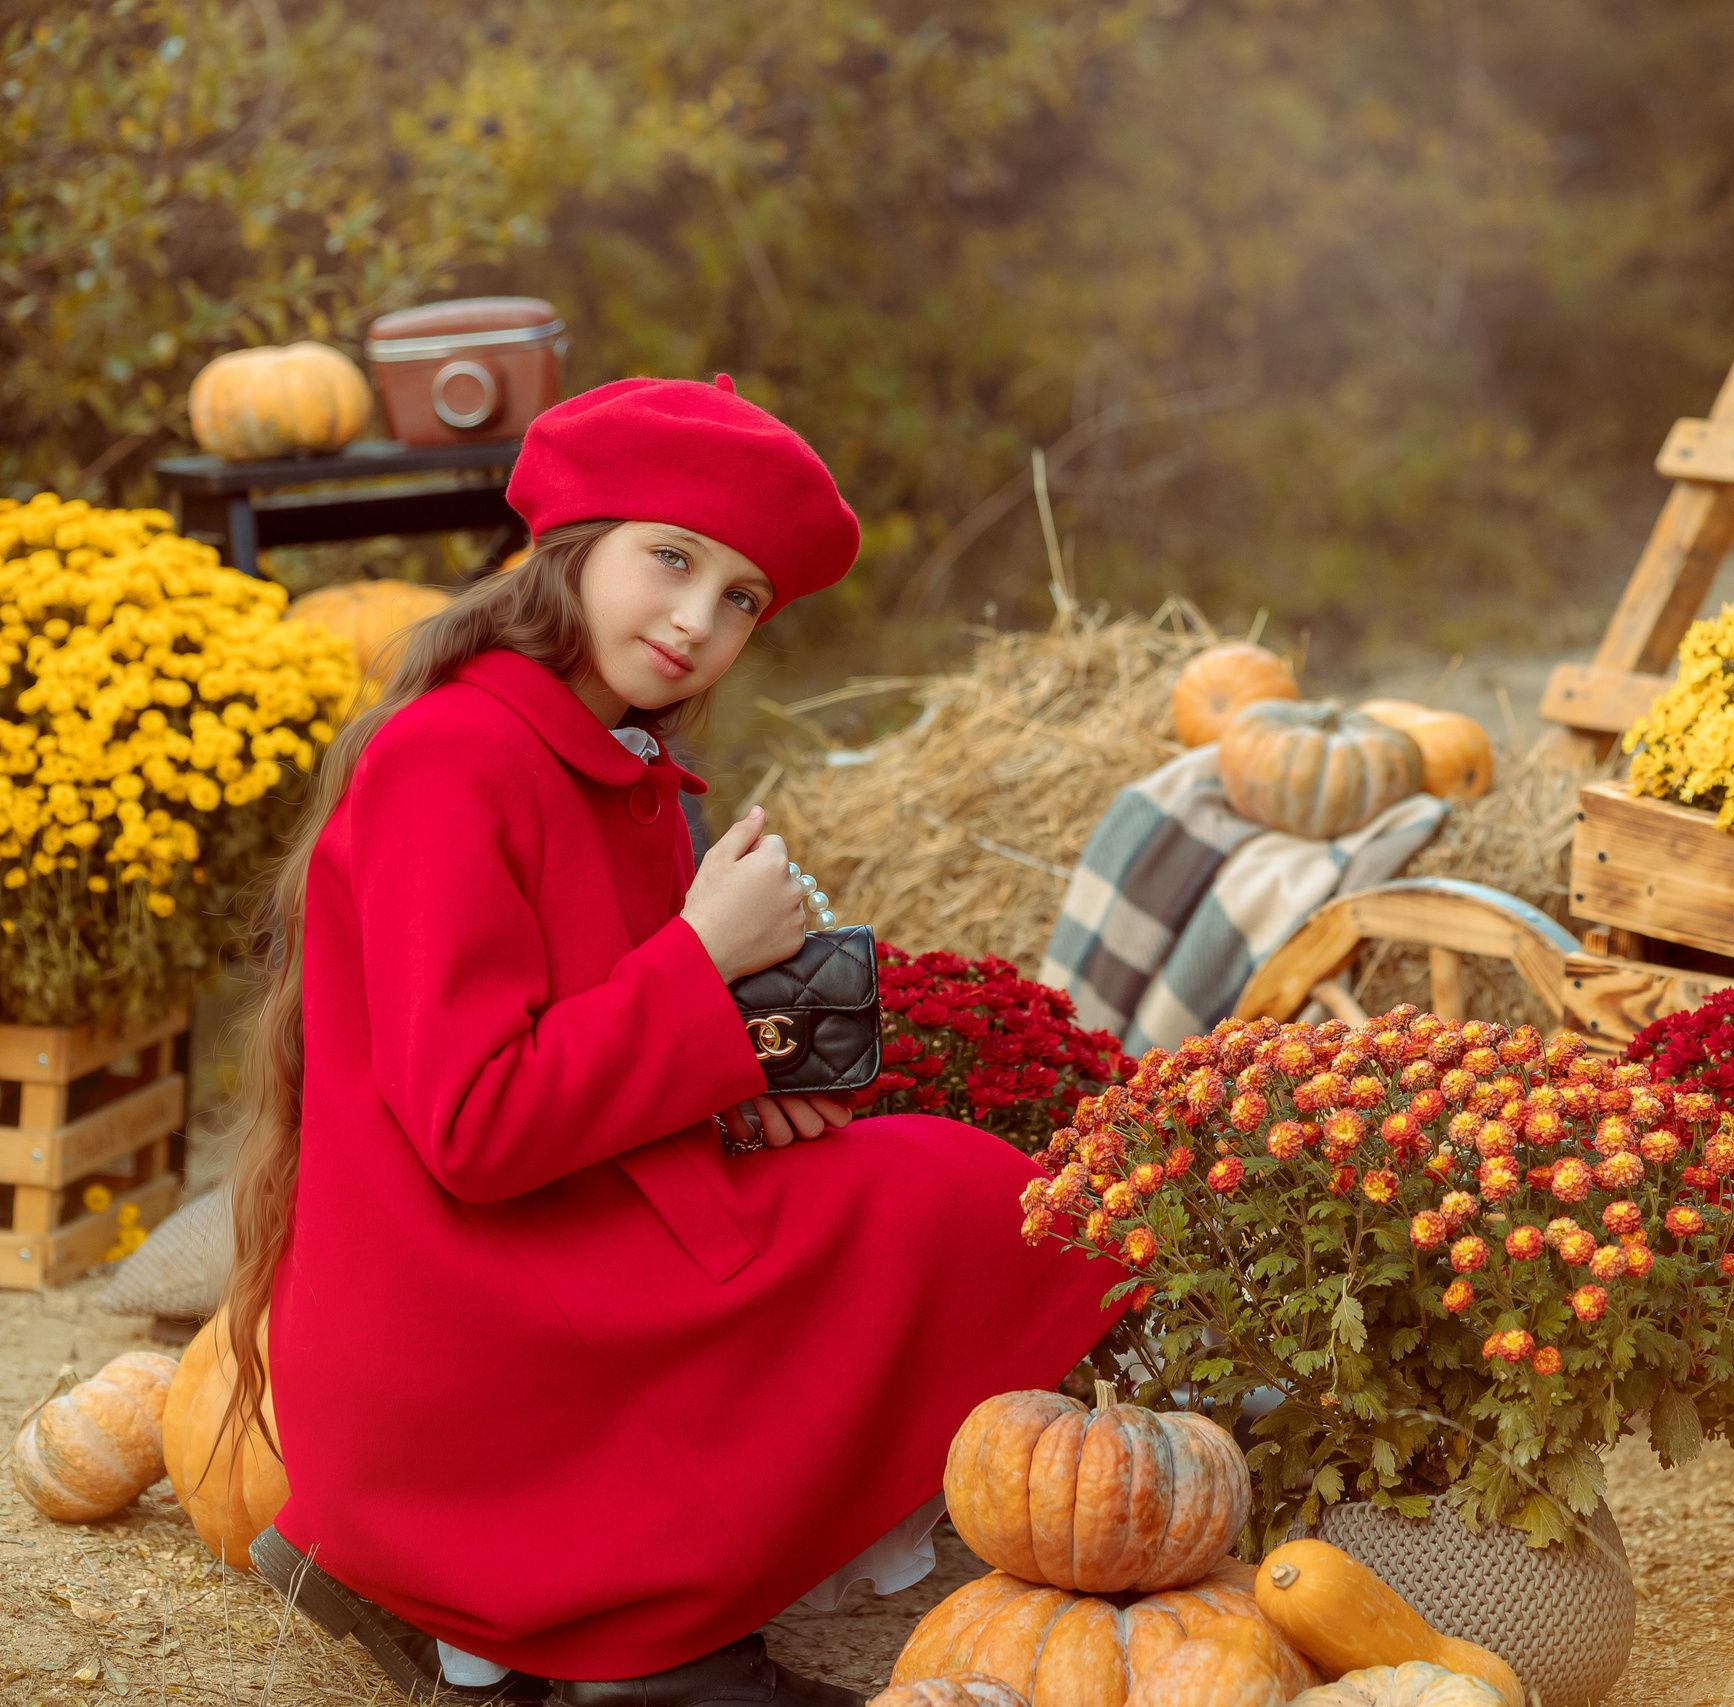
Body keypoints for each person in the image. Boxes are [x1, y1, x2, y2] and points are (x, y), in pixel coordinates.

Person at [216, 376, 1127, 1705]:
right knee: (947, 1204)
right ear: (573, 547)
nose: (700, 619)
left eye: (743, 596)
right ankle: (632, 1637)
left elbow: (586, 1048)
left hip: (545, 1236)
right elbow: (476, 1127)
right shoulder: (452, 759)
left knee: (957, 1192)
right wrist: (705, 960)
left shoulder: (609, 766)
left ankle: (630, 1596)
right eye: (674, 560)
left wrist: (738, 1097)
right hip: (461, 1308)